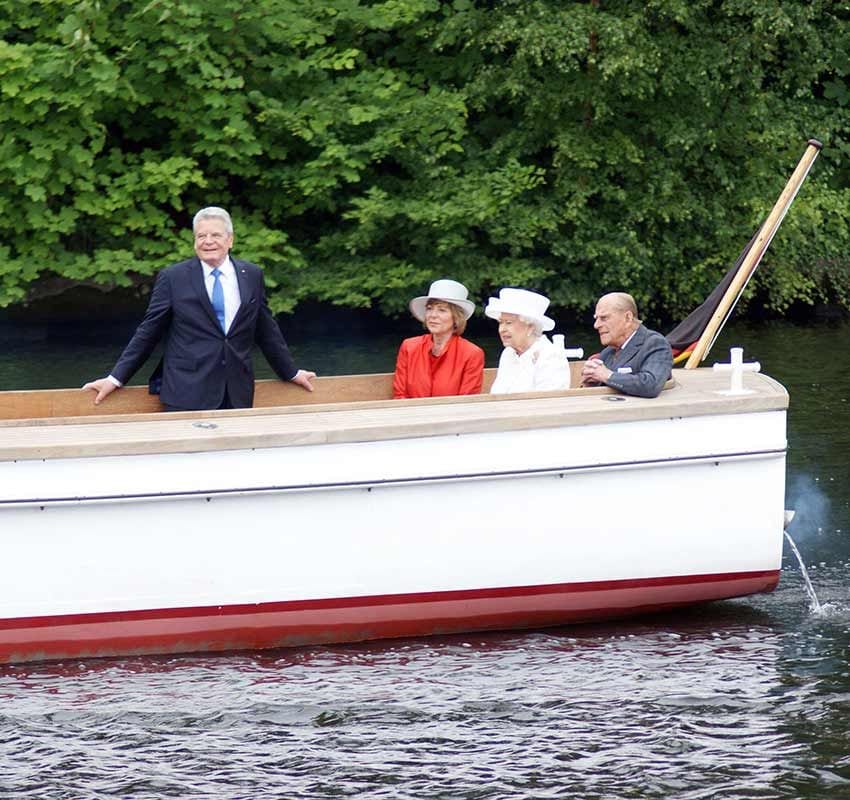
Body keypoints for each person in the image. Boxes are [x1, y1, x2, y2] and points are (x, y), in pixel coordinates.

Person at [82, 207, 315, 411]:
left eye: (215, 235)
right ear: (195, 241)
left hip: (236, 391)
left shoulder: (252, 275)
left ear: (230, 240)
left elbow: (266, 329)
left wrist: (291, 373)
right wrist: (115, 378)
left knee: (235, 458)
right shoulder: (173, 278)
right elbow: (148, 332)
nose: (208, 241)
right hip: (185, 391)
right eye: (201, 235)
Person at [392, 279, 485, 399]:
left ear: (456, 317)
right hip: (411, 415)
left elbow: (467, 403)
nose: (433, 315)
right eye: (430, 308)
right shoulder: (409, 347)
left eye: (442, 310)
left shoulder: (472, 354)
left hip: (452, 417)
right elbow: (399, 395)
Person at [580, 292, 672, 398]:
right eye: (596, 318)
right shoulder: (607, 352)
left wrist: (607, 375)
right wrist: (590, 384)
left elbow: (651, 385)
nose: (596, 325)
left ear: (628, 318)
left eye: (604, 318)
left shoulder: (656, 344)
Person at [485, 288, 570, 394]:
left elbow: (547, 404)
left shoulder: (550, 356)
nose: (502, 329)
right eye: (500, 322)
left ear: (530, 327)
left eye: (509, 323)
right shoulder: (508, 353)